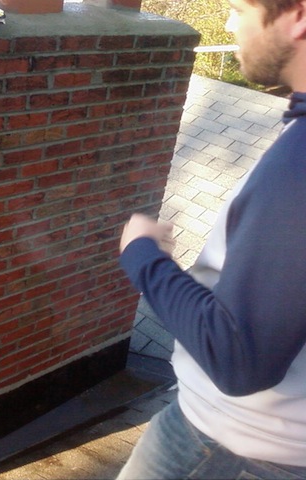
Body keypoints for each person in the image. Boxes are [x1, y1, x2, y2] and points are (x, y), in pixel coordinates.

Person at [117, 0, 306, 478]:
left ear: (299, 15)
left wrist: (143, 257)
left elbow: (238, 358)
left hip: (233, 443)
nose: (228, 22)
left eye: (239, 8)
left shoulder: (300, 163)